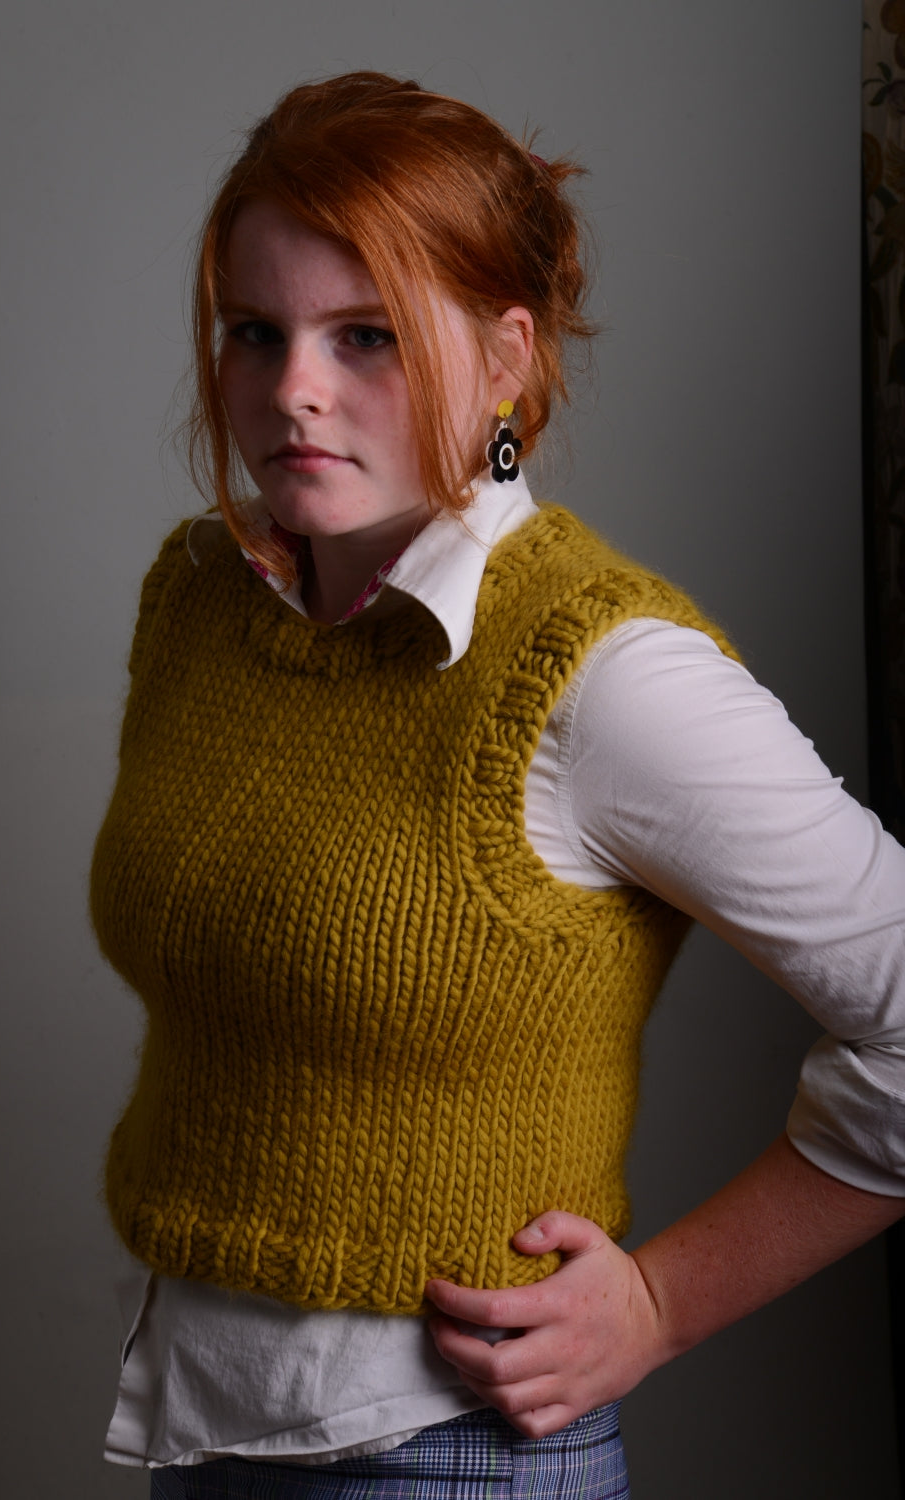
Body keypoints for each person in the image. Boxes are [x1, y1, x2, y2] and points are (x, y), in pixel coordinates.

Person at [90, 71, 905, 1498]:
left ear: (504, 360)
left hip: (451, 1461)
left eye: (367, 336)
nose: (293, 389)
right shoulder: (202, 600)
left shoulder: (603, 671)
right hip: (197, 1436)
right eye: (254, 331)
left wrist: (661, 1304)